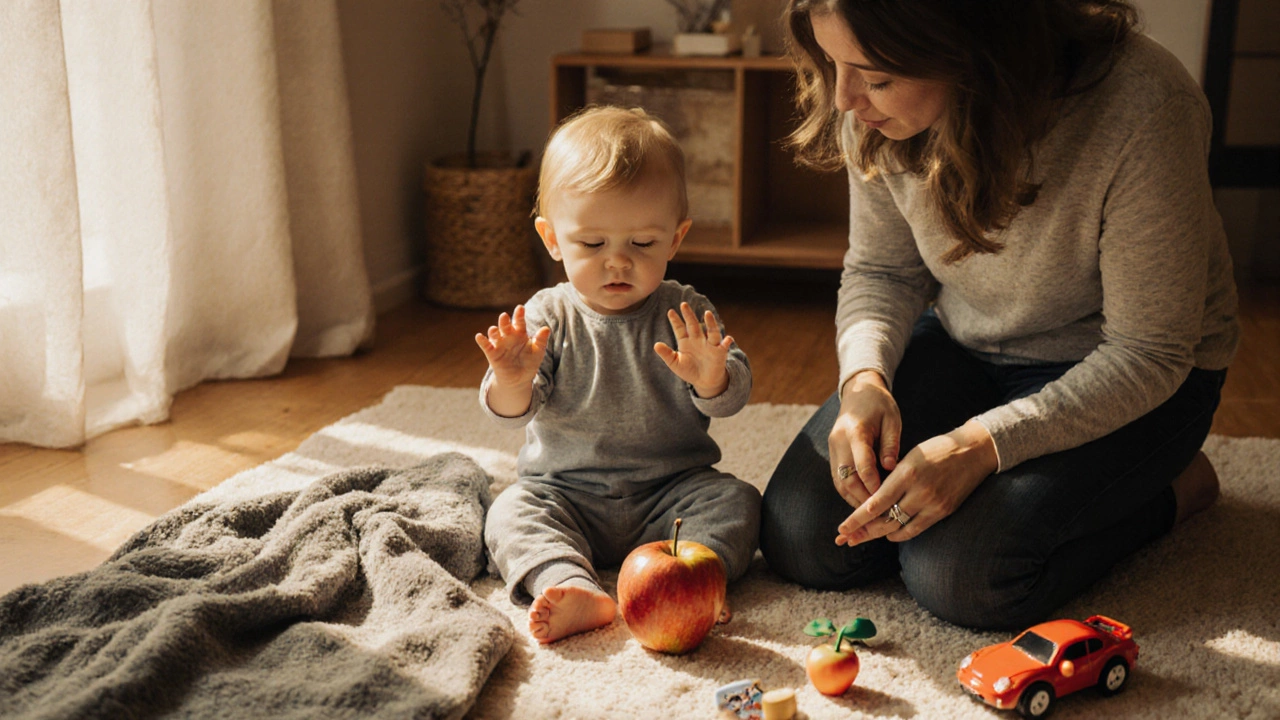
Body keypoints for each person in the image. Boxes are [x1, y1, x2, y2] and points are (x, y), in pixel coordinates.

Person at [760, 0, 1240, 630]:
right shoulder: (872, 108)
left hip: (1136, 374)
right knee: (799, 533)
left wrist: (980, 446)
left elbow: (1149, 352)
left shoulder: (1145, 105)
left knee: (959, 574)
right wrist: (864, 381)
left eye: (877, 78)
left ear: (972, 51)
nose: (846, 100)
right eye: (832, 63)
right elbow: (883, 272)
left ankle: (1176, 492)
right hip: (971, 339)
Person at [476, 106, 760, 644]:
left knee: (738, 502)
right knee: (510, 510)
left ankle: (703, 582)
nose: (617, 263)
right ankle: (569, 583)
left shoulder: (685, 309)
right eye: (592, 244)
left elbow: (728, 399)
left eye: (643, 244)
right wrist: (511, 381)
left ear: (675, 241)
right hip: (565, 494)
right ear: (552, 239)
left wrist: (712, 379)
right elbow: (513, 412)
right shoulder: (546, 315)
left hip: (671, 493)